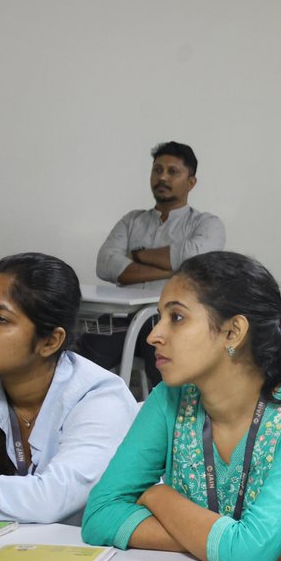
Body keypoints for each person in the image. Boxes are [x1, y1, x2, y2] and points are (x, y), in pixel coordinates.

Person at [82, 251, 281, 561]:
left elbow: (247, 555)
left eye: (176, 318)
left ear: (233, 332)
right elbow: (99, 515)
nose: (154, 335)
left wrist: (156, 495)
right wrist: (223, 545)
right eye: (159, 318)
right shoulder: (170, 399)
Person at [0, 253, 138, 524]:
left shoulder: (100, 397)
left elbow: (47, 500)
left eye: (0, 319)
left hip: (89, 557)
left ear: (50, 341)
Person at [76, 141, 226, 385]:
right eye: (157, 170)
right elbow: (105, 263)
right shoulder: (132, 220)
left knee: (166, 354)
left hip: (171, 321)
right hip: (122, 320)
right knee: (81, 360)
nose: (162, 178)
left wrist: (137, 255)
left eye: (172, 172)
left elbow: (195, 262)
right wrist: (173, 270)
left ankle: (163, 418)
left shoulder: (207, 224)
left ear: (191, 182)